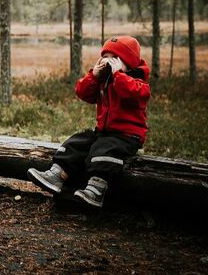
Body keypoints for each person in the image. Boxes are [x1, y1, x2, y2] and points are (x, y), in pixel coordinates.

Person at [27, 35, 151, 208]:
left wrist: (119, 75)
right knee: (78, 141)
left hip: (127, 136)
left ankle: (96, 188)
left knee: (105, 149)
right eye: (105, 58)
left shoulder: (138, 82)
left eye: (114, 59)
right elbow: (83, 93)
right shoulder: (105, 79)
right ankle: (56, 174)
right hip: (104, 132)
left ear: (128, 62)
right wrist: (94, 75)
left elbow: (132, 94)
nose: (108, 63)